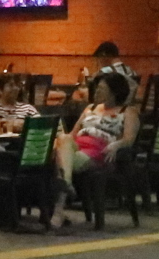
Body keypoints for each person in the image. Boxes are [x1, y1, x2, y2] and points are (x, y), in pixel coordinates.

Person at [59, 70, 139, 220]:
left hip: (100, 150)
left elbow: (129, 139)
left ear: (114, 92)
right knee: (64, 139)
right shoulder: (90, 108)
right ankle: (67, 183)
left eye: (102, 89)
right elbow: (73, 134)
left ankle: (58, 210)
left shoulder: (127, 111)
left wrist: (116, 145)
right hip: (77, 146)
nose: (96, 91)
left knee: (59, 166)